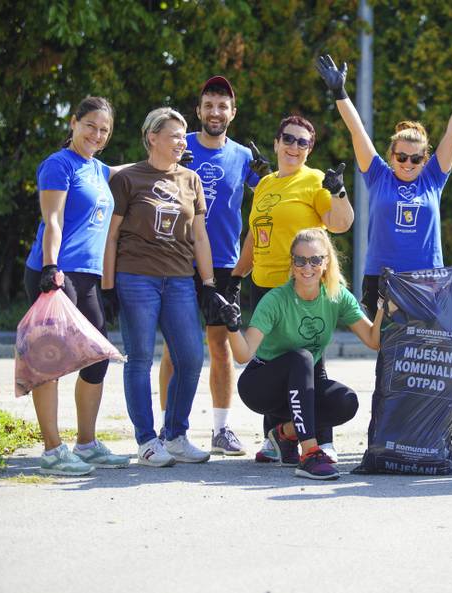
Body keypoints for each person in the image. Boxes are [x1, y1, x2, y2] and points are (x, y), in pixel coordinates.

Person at [315, 55, 452, 318]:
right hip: (382, 279)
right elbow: (357, 131)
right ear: (391, 156)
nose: (408, 163)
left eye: (416, 158)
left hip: (428, 280)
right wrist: (340, 92)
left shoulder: (433, 177)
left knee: (421, 352)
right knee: (387, 351)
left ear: (425, 159)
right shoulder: (379, 175)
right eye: (401, 157)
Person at [103, 107, 224, 468]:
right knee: (139, 357)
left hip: (179, 281)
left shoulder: (190, 179)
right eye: (173, 134)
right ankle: (146, 440)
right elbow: (111, 237)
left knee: (190, 357)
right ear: (152, 137)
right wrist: (108, 288)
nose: (180, 141)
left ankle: (174, 435)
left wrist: (208, 283)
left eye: (182, 135)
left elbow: (200, 236)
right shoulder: (128, 179)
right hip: (135, 278)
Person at [157, 75, 271, 457]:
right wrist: (172, 168)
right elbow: (147, 182)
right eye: (209, 105)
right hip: (179, 259)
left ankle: (221, 429)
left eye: (223, 106)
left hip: (223, 262)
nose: (215, 112)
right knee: (175, 348)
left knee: (220, 347)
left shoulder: (242, 155)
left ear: (233, 113)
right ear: (198, 111)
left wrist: (268, 174)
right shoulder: (179, 146)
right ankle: (167, 428)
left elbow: (271, 201)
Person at [233, 114, 354, 462]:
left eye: (303, 142)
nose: (294, 147)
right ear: (276, 142)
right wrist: (236, 276)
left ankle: (320, 439)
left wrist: (338, 191)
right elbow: (256, 236)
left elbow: (341, 224)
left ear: (310, 148)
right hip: (265, 286)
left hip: (301, 285)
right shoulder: (266, 185)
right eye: (288, 138)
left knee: (310, 364)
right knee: (272, 364)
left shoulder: (315, 180)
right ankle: (276, 439)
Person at [219, 228, 383, 480]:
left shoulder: (337, 296)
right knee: (302, 357)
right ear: (292, 263)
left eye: (315, 259)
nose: (308, 267)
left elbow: (374, 340)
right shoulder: (276, 300)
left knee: (346, 401)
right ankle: (309, 454)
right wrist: (231, 327)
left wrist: (383, 304)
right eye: (300, 260)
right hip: (261, 386)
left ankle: (283, 434)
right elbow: (243, 355)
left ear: (326, 262)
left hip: (298, 393)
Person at [24, 96, 131, 476]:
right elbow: (52, 220)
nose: (97, 135)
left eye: (104, 130)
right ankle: (53, 450)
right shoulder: (58, 165)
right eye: (90, 126)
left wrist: (167, 158)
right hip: (55, 272)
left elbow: (127, 168)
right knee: (50, 359)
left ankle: (86, 444)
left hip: (86, 278)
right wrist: (51, 268)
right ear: (73, 123)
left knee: (97, 356)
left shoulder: (99, 170)